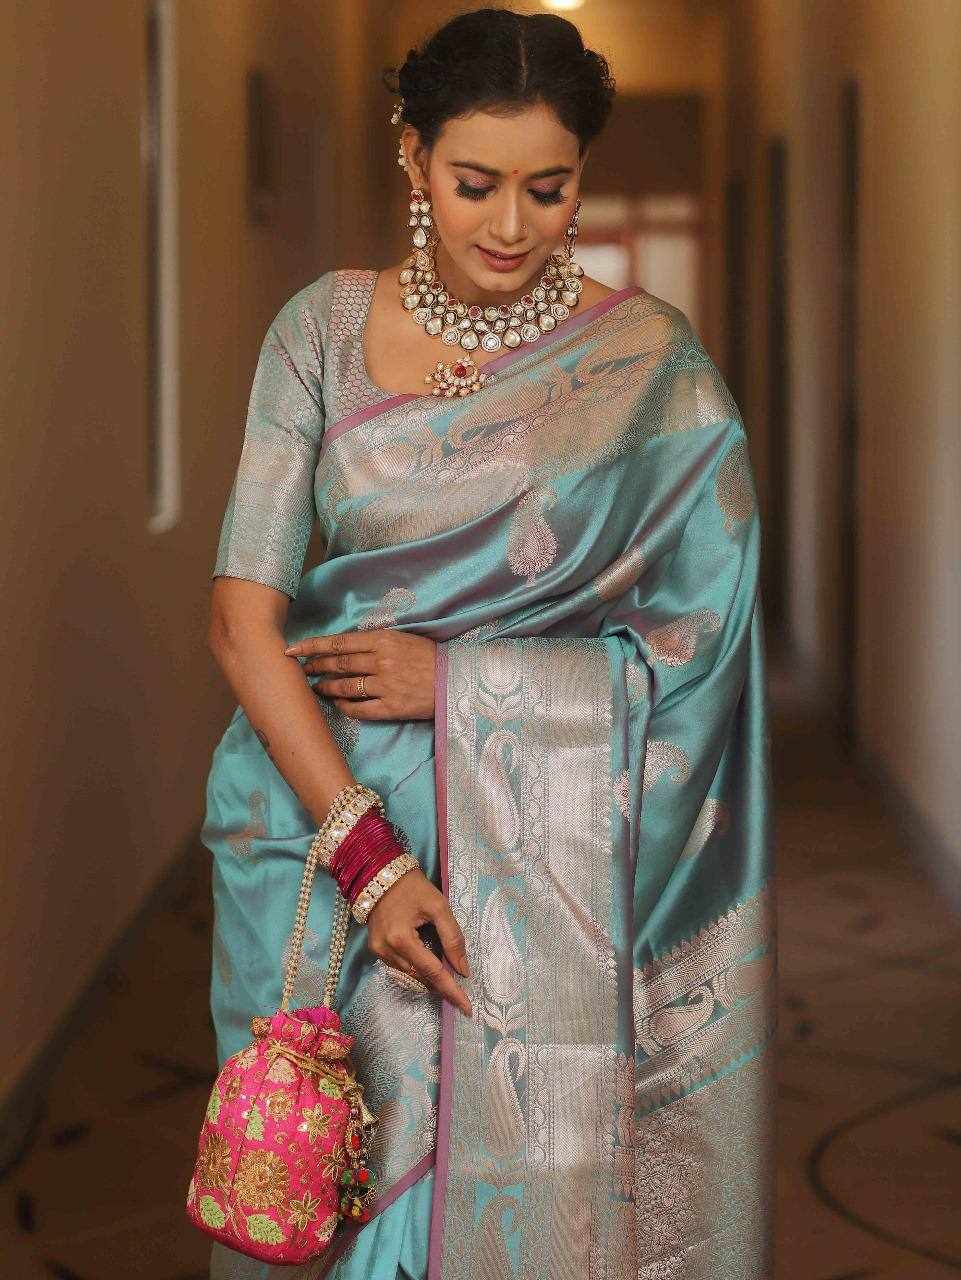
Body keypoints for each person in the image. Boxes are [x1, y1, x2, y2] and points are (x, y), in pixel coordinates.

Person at [200, 8, 776, 1279]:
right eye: (475, 184)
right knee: (312, 1185)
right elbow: (242, 619)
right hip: (313, 832)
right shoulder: (319, 333)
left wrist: (461, 683)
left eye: (547, 188)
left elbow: (703, 650)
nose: (512, 225)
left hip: (537, 863)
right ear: (411, 156)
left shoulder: (652, 369)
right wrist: (369, 860)